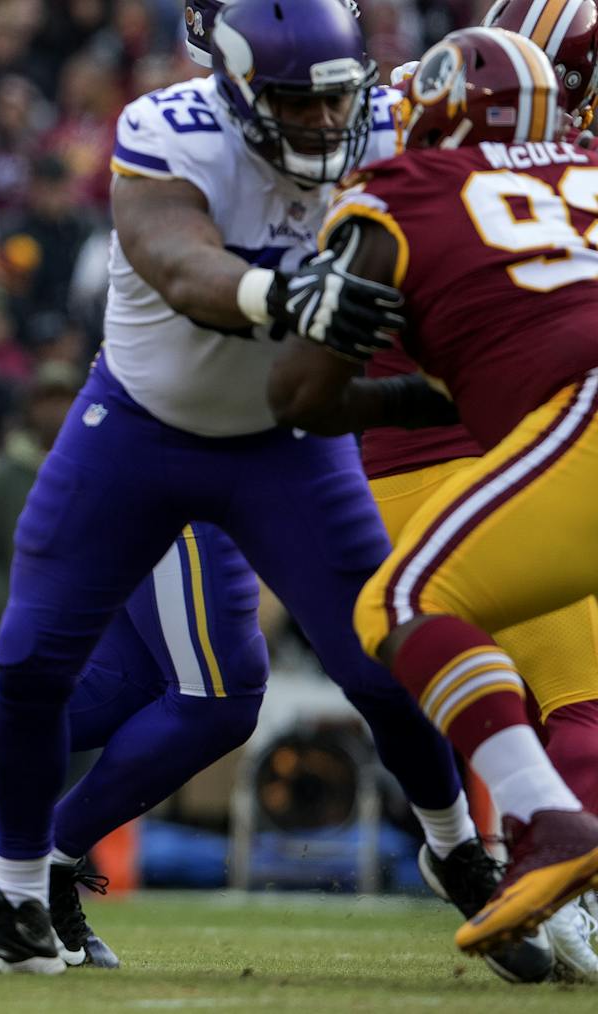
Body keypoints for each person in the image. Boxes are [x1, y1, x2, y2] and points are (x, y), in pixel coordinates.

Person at [0, 0, 500, 976]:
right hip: (140, 430)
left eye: (332, 103)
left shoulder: (390, 121)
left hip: (285, 439)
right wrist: (283, 293)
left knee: (383, 657)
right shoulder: (168, 127)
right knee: (31, 662)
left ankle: (455, 849)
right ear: (233, 89)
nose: (318, 124)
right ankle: (15, 905)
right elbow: (179, 261)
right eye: (292, 105)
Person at [266, 26, 598, 959]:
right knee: (581, 685)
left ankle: (546, 827)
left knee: (407, 602)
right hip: (547, 431)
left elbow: (297, 393)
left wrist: (417, 385)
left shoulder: (403, 187)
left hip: (563, 423)